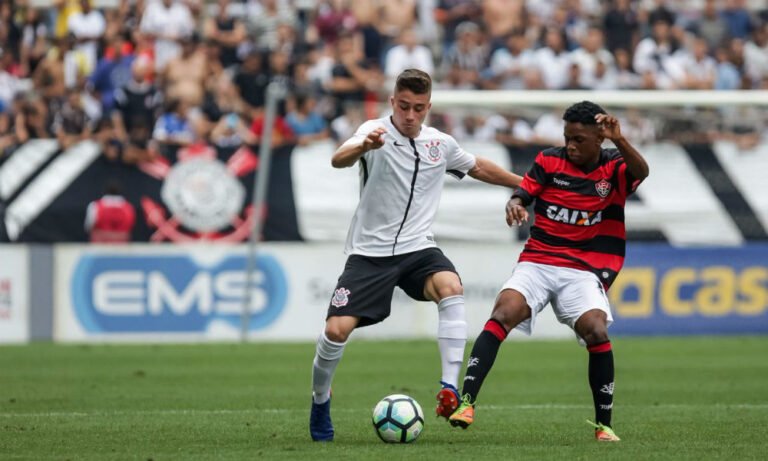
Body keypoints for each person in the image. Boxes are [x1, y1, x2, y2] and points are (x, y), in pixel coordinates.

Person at [309, 69, 523, 442]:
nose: (410, 116)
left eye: (418, 109)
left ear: (428, 108)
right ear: (393, 101)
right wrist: (363, 147)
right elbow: (338, 158)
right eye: (404, 106)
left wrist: (526, 185)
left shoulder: (440, 143)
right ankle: (320, 399)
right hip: (370, 254)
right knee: (334, 331)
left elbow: (478, 167)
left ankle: (449, 388)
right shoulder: (373, 131)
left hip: (418, 248)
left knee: (450, 286)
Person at [447, 101, 650, 442]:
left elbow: (641, 172)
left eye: (579, 139)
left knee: (596, 331)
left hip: (583, 269)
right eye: (567, 137)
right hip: (538, 261)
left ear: (600, 138)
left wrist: (621, 140)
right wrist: (514, 204)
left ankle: (604, 426)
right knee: (504, 311)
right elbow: (522, 193)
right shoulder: (548, 160)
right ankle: (466, 402)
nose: (570, 145)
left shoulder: (614, 166)